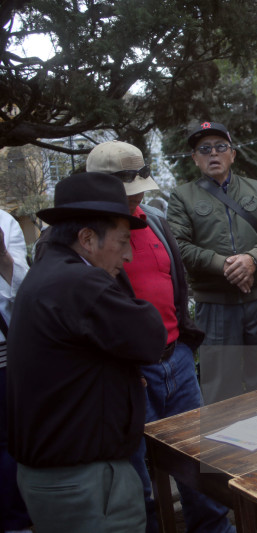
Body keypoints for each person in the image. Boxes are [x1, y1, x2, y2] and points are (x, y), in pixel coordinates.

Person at [87, 141, 234, 533]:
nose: (135, 198)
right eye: (127, 191)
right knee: (136, 472)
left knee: (198, 458)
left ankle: (213, 528)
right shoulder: (85, 238)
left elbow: (176, 282)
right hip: (128, 371)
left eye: (138, 189)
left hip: (176, 358)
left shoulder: (153, 219)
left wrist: (183, 342)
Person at [7, 172, 166, 533]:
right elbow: (149, 336)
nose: (128, 255)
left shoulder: (48, 273)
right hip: (87, 485)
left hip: (60, 478)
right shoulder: (79, 282)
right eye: (122, 242)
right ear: (87, 239)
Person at [168, 121, 257, 404]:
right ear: (195, 158)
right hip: (215, 304)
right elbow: (178, 246)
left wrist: (252, 259)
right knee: (220, 387)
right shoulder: (182, 197)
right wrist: (225, 265)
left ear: (232, 154)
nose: (213, 153)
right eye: (204, 149)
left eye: (221, 147)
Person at [0, 210, 31, 533]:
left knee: (9, 443)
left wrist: (2, 256)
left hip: (5, 359)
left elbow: (21, 290)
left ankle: (17, 525)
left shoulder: (4, 223)